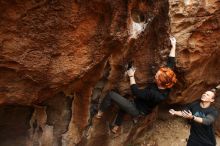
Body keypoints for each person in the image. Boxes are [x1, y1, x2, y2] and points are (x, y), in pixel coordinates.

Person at [95, 36, 177, 133]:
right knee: (124, 106)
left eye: (157, 76)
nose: (156, 74)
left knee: (111, 95)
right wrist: (174, 46)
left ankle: (99, 113)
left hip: (137, 110)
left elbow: (136, 91)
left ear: (160, 82)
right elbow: (171, 63)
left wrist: (131, 76)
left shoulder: (154, 94)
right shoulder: (168, 81)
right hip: (142, 106)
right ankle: (116, 127)